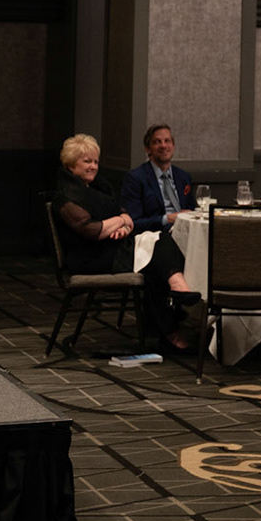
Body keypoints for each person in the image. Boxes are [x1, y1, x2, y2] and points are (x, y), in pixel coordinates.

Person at [50, 133, 200, 351]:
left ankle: (166, 326)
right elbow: (93, 230)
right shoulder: (66, 197)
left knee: (159, 246)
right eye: (87, 161)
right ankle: (173, 312)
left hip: (110, 248)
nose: (93, 167)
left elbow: (127, 218)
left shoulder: (99, 188)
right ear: (71, 165)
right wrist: (119, 221)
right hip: (88, 257)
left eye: (95, 162)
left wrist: (122, 226)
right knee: (156, 255)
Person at [122, 123, 197, 233]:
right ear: (147, 149)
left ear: (173, 146)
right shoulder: (135, 178)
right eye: (157, 142)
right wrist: (168, 219)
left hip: (187, 231)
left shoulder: (183, 177)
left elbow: (192, 210)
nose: (163, 146)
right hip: (157, 234)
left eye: (167, 141)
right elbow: (134, 222)